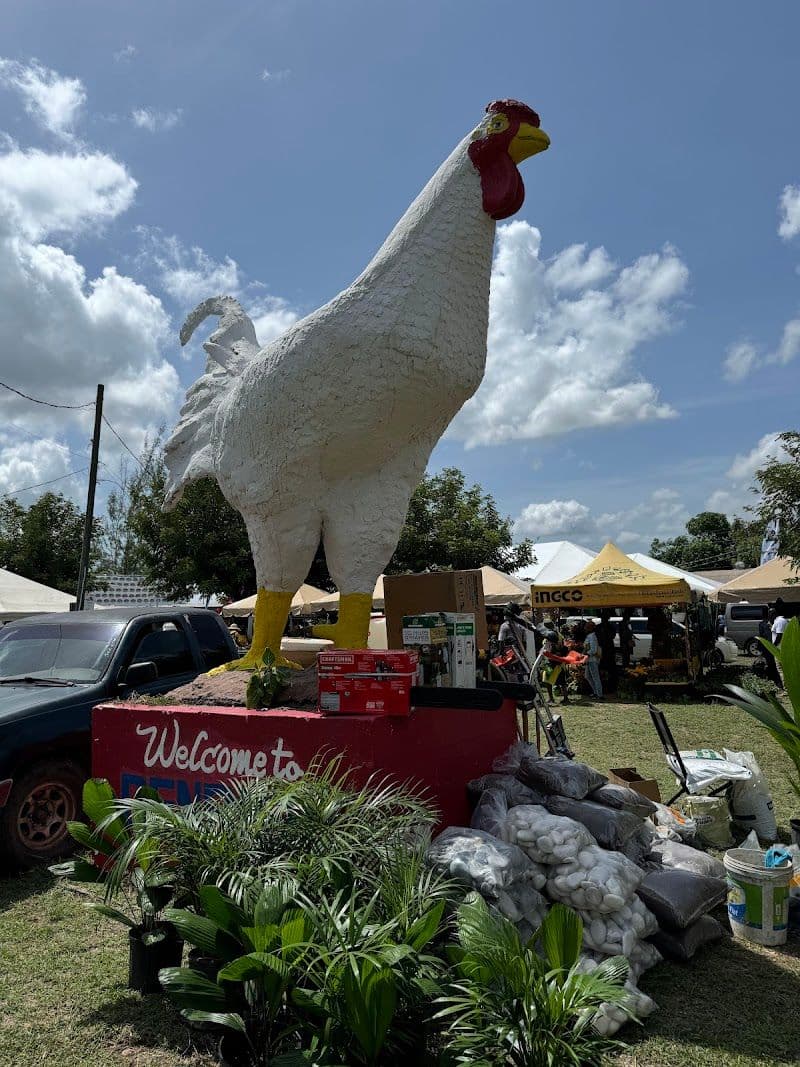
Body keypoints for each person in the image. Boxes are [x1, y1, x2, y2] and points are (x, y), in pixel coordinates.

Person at [759, 615, 783, 689]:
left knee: (777, 667)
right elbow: (762, 636)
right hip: (768, 649)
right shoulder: (763, 624)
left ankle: (779, 683)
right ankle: (773, 683)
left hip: (776, 648)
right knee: (770, 665)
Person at [583, 621, 603, 699]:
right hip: (589, 660)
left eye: (586, 627)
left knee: (595, 677)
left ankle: (599, 694)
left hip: (592, 659)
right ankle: (595, 692)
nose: (585, 629)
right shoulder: (589, 636)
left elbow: (593, 650)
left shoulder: (592, 637)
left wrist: (585, 654)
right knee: (587, 676)